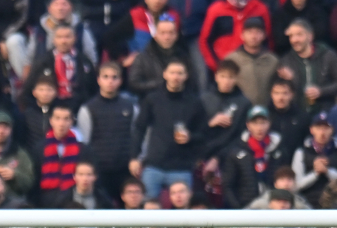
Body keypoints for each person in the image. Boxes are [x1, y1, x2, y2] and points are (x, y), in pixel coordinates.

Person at [131, 59, 206, 200]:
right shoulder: (152, 99)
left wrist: (191, 137)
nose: (176, 77)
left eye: (180, 73)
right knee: (148, 210)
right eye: (172, 73)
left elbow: (204, 134)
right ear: (164, 74)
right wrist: (134, 157)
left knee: (183, 216)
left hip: (182, 167)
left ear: (186, 76)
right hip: (154, 165)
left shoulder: (195, 102)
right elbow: (139, 128)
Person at [77, 61, 139, 198]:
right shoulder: (88, 109)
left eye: (114, 77)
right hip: (99, 170)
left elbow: (136, 136)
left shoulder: (131, 107)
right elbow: (84, 142)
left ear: (120, 81)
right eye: (105, 77)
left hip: (125, 169)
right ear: (98, 80)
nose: (110, 81)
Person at [200, 0, 271, 74]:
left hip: (255, 69)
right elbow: (205, 41)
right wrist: (216, 67)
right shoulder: (216, 10)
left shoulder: (260, 9)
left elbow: (268, 40)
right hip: (224, 71)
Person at [222, 105, 288, 208]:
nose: (259, 128)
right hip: (245, 207)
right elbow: (228, 186)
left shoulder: (279, 150)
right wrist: (238, 209)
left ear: (269, 123)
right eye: (255, 123)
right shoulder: (236, 152)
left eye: (263, 123)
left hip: (274, 208)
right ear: (248, 125)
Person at [278, 19, 337, 113]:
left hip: (324, 113)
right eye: (291, 36)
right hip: (298, 115)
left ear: (310, 36)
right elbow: (282, 92)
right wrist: (290, 80)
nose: (294, 40)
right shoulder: (286, 61)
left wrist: (321, 91)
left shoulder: (328, 55)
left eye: (299, 35)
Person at [26, 24, 99, 112]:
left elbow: (93, 89)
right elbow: (28, 89)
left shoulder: (84, 61)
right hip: (50, 108)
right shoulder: (43, 61)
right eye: (59, 37)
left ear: (75, 38)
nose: (63, 41)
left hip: (79, 107)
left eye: (67, 37)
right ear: (53, 39)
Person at [128, 16, 195, 98]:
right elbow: (134, 84)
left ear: (176, 36)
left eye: (171, 33)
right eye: (162, 33)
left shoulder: (184, 57)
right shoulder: (142, 57)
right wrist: (163, 84)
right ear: (155, 35)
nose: (167, 37)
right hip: (151, 102)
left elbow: (192, 83)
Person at [202, 59, 252, 165]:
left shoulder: (244, 104)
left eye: (231, 77)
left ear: (237, 79)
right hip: (203, 156)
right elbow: (194, 131)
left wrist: (218, 158)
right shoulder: (204, 100)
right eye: (223, 76)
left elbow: (242, 136)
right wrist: (210, 123)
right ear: (216, 77)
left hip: (230, 158)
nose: (226, 81)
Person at [38, 104, 86, 205]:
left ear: (71, 122)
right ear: (51, 121)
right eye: (57, 118)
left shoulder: (83, 149)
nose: (61, 123)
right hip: (46, 201)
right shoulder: (40, 148)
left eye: (66, 119)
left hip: (72, 201)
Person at [227, 15, 278, 107]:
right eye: (250, 32)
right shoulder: (232, 60)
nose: (254, 36)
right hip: (240, 111)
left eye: (258, 32)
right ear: (242, 35)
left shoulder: (273, 60)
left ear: (264, 35)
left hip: (266, 112)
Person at [294, 110, 337, 205]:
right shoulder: (301, 152)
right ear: (311, 130)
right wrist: (315, 173)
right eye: (318, 128)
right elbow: (296, 184)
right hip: (306, 202)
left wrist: (327, 171)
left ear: (332, 129)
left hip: (335, 202)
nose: (322, 132)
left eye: (326, 128)